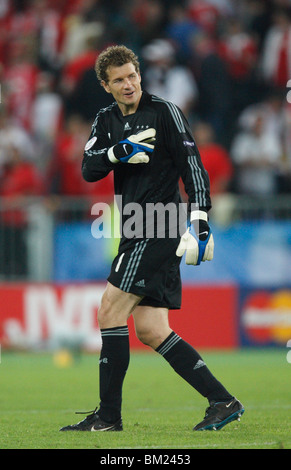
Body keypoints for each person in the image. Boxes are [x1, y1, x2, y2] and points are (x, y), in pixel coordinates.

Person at [60, 45, 244, 432]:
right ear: (105, 85)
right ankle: (222, 401)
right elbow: (89, 168)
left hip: (158, 226)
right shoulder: (105, 119)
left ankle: (108, 417)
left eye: (132, 75)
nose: (129, 84)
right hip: (132, 228)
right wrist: (118, 152)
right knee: (151, 330)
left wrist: (200, 218)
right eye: (119, 80)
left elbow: (192, 165)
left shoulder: (165, 112)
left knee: (109, 311)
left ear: (139, 73)